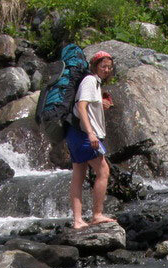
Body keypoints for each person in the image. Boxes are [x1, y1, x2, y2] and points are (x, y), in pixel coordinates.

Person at [67, 51, 115, 229]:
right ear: (95, 66)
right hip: (83, 134)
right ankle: (97, 214)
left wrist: (101, 103)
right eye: (103, 66)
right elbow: (81, 106)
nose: (107, 70)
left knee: (79, 174)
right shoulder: (90, 81)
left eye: (109, 67)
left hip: (75, 133)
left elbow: (85, 104)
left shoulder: (94, 83)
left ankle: (78, 220)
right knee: (103, 171)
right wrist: (90, 133)